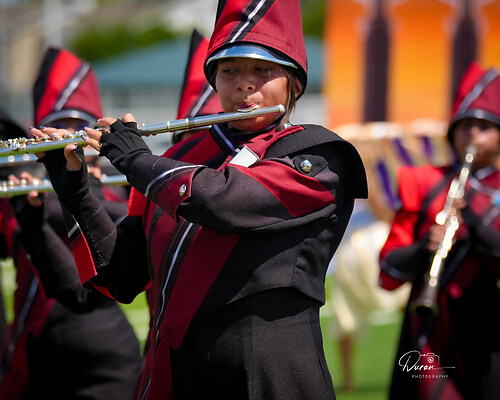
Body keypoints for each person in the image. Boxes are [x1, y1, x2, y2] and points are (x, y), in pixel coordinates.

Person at [31, 1, 368, 399]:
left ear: (293, 82)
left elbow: (225, 202)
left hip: (268, 376)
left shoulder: (317, 154)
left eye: (263, 70)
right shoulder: (180, 158)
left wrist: (135, 158)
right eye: (230, 71)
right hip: (178, 377)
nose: (244, 84)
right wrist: (73, 187)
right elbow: (121, 276)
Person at [0, 47, 142, 400]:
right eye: (57, 127)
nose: (67, 138)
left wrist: (80, 191)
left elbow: (105, 274)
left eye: (79, 128)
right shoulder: (23, 186)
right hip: (35, 347)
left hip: (105, 355)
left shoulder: (120, 190)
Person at [379, 62, 500, 400]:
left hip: (489, 325)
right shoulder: (425, 182)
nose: (472, 134)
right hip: (428, 325)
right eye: (464, 126)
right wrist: (424, 249)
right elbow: (387, 268)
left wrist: (471, 221)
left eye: (484, 127)